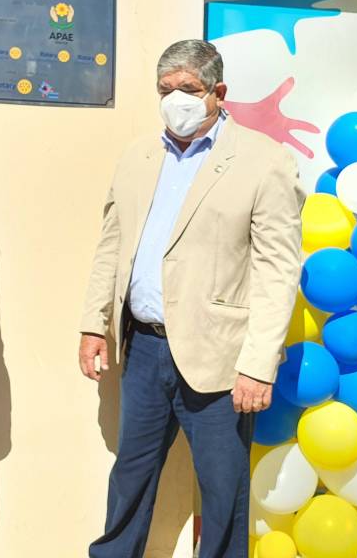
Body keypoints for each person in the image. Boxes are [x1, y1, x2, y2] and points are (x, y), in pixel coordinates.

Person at [78, 39, 305, 558]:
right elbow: (112, 244)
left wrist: (258, 365)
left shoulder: (264, 161)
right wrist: (94, 323)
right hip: (144, 349)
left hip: (220, 357)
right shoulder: (138, 157)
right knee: (130, 475)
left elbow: (277, 270)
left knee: (223, 489)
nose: (175, 99)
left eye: (188, 88)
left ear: (218, 92)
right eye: (166, 90)